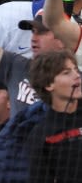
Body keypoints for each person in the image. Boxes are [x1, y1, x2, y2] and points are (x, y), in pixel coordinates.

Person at [27, 49, 82, 182]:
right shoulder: (41, 135)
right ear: (48, 85)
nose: (77, 75)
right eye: (66, 73)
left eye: (76, 69)